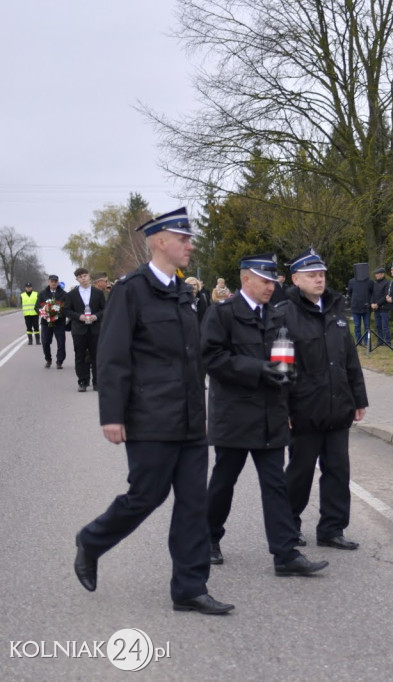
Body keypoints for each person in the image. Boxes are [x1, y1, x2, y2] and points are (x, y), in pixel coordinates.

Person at [74, 207, 234, 615]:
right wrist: (112, 414)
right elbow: (112, 358)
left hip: (190, 419)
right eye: (184, 238)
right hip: (149, 417)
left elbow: (198, 355)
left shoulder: (186, 292)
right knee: (146, 496)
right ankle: (92, 540)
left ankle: (190, 588)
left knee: (194, 503)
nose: (190, 245)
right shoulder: (131, 290)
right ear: (161, 241)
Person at [203, 253, 328, 576]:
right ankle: (208, 538)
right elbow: (212, 359)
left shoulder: (277, 315)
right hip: (234, 414)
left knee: (275, 485)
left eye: (274, 282)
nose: (271, 287)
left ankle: (285, 554)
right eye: (265, 281)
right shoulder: (222, 314)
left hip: (271, 414)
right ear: (246, 279)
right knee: (223, 482)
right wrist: (258, 369)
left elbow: (286, 362)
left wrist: (287, 399)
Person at [283, 248, 369, 551]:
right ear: (296, 279)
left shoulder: (335, 311)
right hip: (304, 409)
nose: (319, 280)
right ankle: (289, 526)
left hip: (338, 407)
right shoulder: (285, 314)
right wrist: (284, 409)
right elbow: (281, 369)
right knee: (299, 473)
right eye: (311, 275)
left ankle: (332, 528)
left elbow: (350, 360)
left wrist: (359, 398)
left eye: (321, 274)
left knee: (337, 471)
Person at [64, 267, 105, 392]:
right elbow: (66, 310)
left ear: (89, 277)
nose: (83, 278)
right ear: (77, 279)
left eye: (85, 275)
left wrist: (96, 316)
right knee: (80, 356)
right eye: (80, 277)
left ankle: (97, 382)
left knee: (96, 355)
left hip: (95, 329)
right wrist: (79, 316)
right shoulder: (71, 295)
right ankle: (83, 381)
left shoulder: (98, 293)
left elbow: (105, 309)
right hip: (79, 329)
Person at [36, 275, 67, 369]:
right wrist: (44, 313)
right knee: (45, 342)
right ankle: (48, 359)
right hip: (46, 322)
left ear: (58, 283)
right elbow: (36, 307)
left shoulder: (64, 294)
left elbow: (66, 308)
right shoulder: (42, 293)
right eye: (52, 281)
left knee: (61, 342)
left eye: (55, 281)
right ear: (48, 282)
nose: (53, 283)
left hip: (59, 322)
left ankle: (59, 362)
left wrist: (58, 315)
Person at [346, 269, 373, 346]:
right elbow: (349, 293)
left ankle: (366, 341)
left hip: (366, 307)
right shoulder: (351, 282)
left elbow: (372, 293)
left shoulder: (369, 282)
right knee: (357, 325)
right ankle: (359, 341)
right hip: (356, 307)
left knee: (367, 325)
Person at [370, 267, 391, 346]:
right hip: (376, 308)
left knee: (385, 326)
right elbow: (372, 295)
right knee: (378, 326)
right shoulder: (376, 284)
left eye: (377, 274)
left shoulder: (387, 283)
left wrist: (377, 304)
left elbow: (385, 296)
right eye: (375, 274)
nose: (376, 275)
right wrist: (371, 303)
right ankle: (380, 341)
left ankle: (387, 341)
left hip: (383, 308)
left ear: (382, 274)